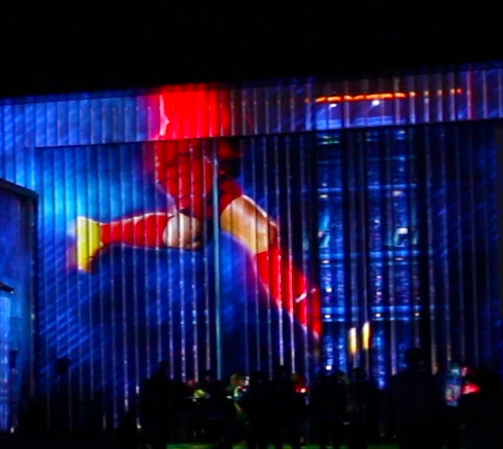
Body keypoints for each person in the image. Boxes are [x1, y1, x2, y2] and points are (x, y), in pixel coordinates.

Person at [73, 132, 322, 340]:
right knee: (261, 234)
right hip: (186, 150)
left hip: (194, 151)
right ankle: (315, 319)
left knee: (192, 236)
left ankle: (101, 233)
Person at [387, 347, 444, 449]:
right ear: (422, 360)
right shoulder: (428, 379)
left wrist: (390, 423)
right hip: (425, 422)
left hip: (405, 422)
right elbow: (436, 402)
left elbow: (389, 402)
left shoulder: (397, 380)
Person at [140, 362, 176, 449]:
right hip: (160, 408)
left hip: (156, 408)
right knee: (161, 430)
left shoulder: (156, 379)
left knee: (158, 430)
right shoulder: (163, 380)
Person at [311, 370, 349, 449]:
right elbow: (341, 401)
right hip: (332, 412)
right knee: (334, 431)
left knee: (322, 431)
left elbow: (314, 401)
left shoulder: (317, 389)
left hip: (321, 413)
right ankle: (336, 447)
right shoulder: (335, 389)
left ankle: (323, 447)